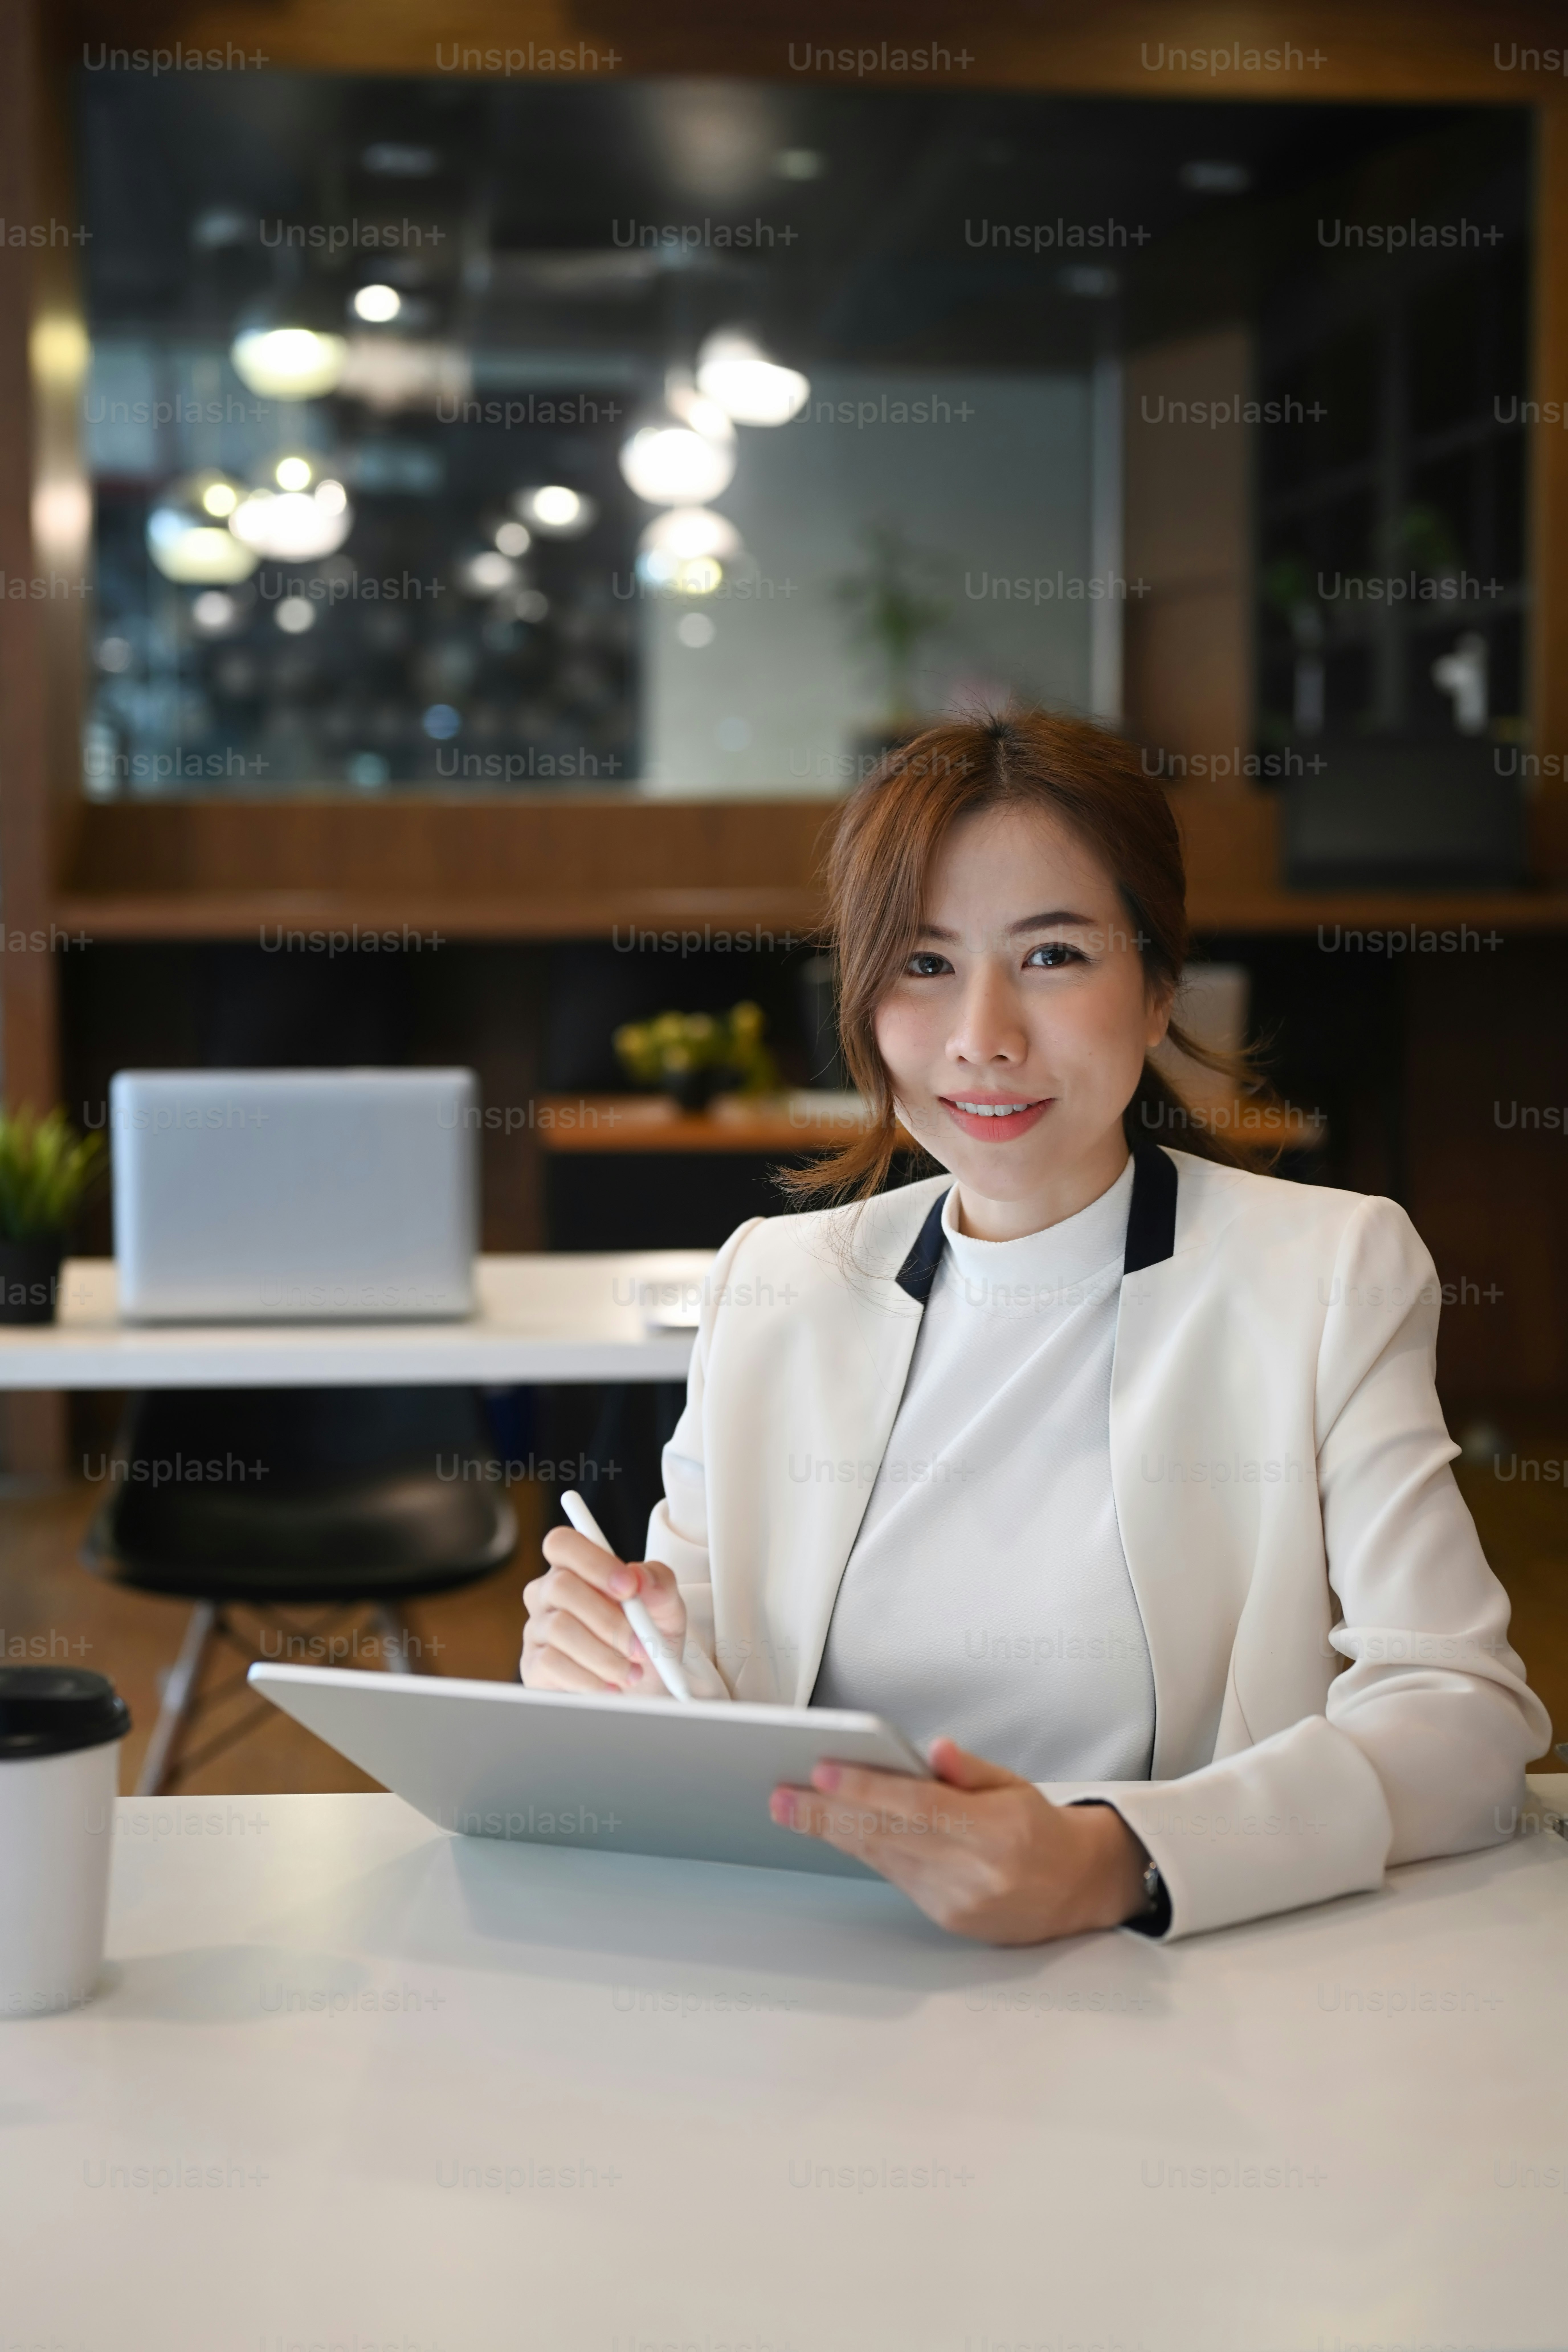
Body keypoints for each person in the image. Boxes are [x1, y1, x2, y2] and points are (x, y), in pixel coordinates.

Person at [521, 709, 1549, 1944]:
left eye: (1053, 955)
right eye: (923, 963)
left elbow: (1463, 1720)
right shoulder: (772, 1282)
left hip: (1175, 1985)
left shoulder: (1326, 1272)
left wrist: (1111, 1861)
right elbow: (705, 1698)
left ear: (1158, 986)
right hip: (821, 1970)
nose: (983, 1038)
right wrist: (621, 1673)